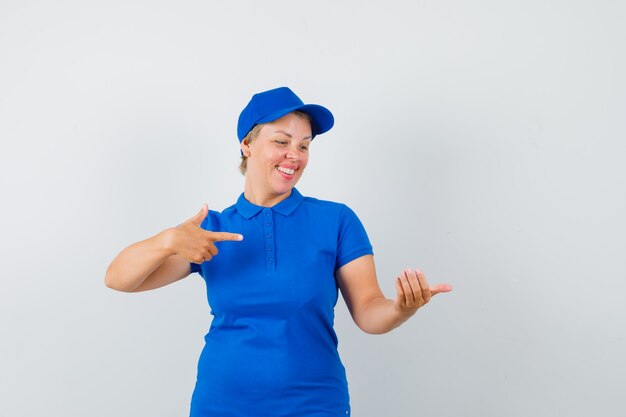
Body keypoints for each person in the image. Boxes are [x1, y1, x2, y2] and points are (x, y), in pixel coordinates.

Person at [105, 86, 453, 417]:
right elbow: (119, 279)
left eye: (304, 146)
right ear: (247, 145)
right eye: (282, 142)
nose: (295, 156)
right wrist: (167, 241)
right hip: (222, 405)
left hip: (314, 404)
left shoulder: (335, 221)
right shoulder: (211, 230)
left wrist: (400, 309)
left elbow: (369, 312)